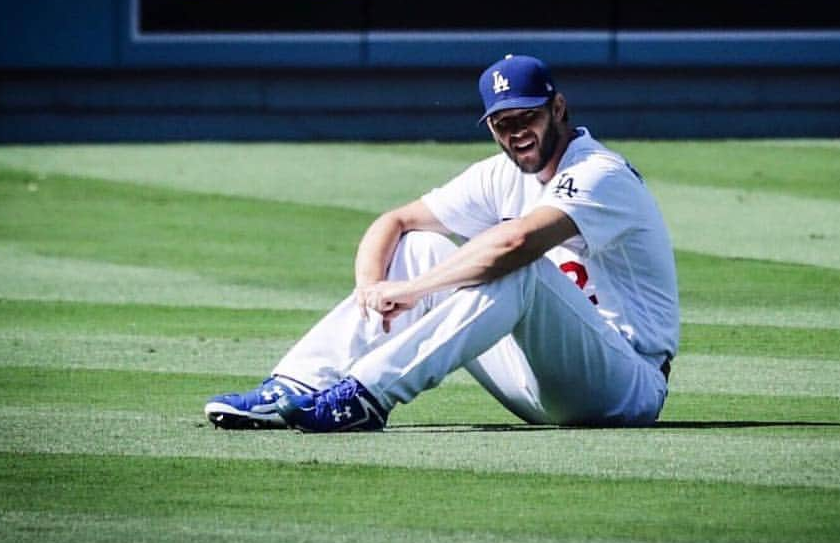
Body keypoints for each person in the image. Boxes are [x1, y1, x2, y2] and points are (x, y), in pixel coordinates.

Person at [204, 54, 679, 432]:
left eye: (527, 117)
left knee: (517, 263)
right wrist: (373, 288)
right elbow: (395, 221)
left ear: (557, 108)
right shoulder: (499, 174)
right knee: (418, 243)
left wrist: (413, 291)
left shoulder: (599, 173)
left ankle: (366, 396)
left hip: (624, 386)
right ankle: (295, 385)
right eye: (501, 123)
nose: (516, 133)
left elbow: (515, 242)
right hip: (536, 379)